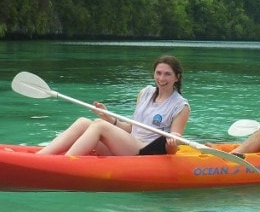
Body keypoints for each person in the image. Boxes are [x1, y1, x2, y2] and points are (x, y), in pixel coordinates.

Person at [37, 55, 190, 156]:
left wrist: (172, 143)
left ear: (177, 77)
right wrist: (109, 118)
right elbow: (132, 128)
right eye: (158, 73)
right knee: (84, 122)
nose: (161, 78)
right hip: (128, 145)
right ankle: (41, 157)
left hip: (146, 152)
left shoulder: (180, 106)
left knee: (99, 125)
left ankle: (63, 163)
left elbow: (171, 151)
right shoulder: (145, 93)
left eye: (167, 74)